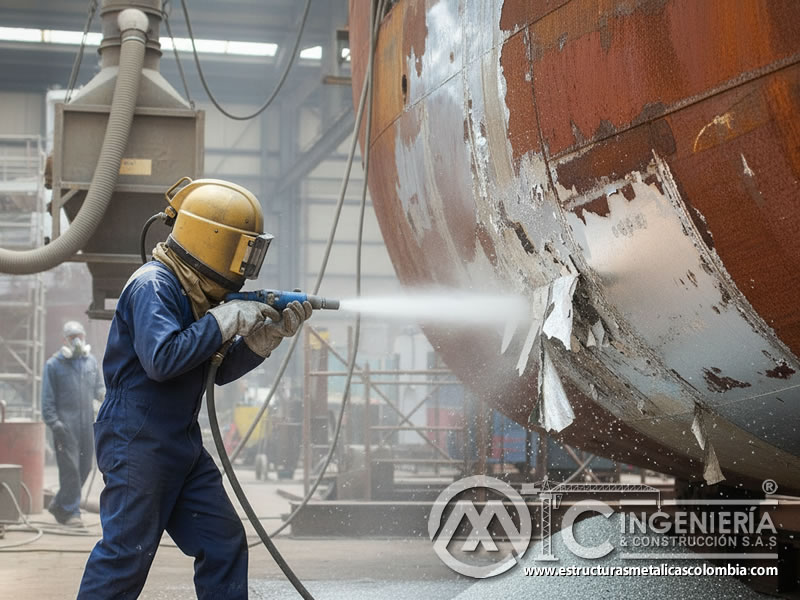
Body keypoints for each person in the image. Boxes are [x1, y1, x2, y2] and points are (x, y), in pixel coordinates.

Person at [77, 178, 312, 599]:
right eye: (243, 250)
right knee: (125, 555)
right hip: (137, 440)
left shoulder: (197, 296)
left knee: (222, 541)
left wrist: (261, 341)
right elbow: (162, 359)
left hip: (180, 443)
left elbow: (213, 372)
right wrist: (226, 320)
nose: (245, 265)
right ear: (215, 242)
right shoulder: (154, 286)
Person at [42, 320, 105, 527]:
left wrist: (105, 396)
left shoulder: (90, 362)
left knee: (85, 467)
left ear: (84, 337)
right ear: (65, 340)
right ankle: (71, 512)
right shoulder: (53, 365)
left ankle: (59, 504)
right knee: (70, 471)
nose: (76, 341)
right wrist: (55, 424)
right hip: (65, 427)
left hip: (86, 425)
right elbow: (47, 401)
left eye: (79, 336)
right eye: (72, 337)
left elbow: (99, 388)